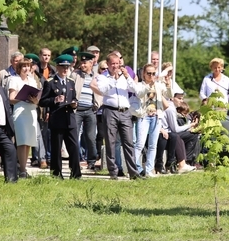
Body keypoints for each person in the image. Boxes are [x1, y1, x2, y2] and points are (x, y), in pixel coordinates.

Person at [91, 52, 143, 180]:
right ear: (108, 64)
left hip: (125, 111)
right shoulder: (103, 77)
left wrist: (126, 77)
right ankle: (113, 171)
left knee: (129, 142)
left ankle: (133, 172)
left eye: (117, 63)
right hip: (110, 110)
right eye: (112, 64)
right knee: (111, 142)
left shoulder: (124, 76)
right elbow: (102, 90)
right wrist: (113, 79)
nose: (115, 66)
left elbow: (135, 89)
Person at [39, 54, 82, 179]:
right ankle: (56, 173)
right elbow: (42, 101)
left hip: (70, 119)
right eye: (62, 67)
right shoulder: (51, 83)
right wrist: (55, 100)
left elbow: (73, 97)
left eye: (67, 67)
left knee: (74, 147)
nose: (65, 70)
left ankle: (76, 174)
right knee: (57, 148)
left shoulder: (71, 82)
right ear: (57, 67)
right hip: (57, 119)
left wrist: (75, 104)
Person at [134, 63, 168, 177]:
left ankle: (149, 170)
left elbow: (169, 94)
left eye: (153, 73)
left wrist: (168, 85)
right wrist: (150, 85)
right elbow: (139, 94)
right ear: (144, 74)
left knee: (153, 145)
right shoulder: (140, 85)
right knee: (140, 143)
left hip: (156, 116)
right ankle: (133, 167)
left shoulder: (158, 85)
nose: (151, 76)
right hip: (144, 116)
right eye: (148, 73)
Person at [8, 59, 41, 177]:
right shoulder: (14, 79)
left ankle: (24, 168)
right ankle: (21, 170)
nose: (27, 69)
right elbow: (11, 99)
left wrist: (34, 99)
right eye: (24, 67)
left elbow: (37, 98)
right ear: (19, 68)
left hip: (31, 111)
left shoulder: (32, 81)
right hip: (20, 112)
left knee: (28, 142)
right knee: (22, 141)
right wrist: (23, 97)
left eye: (28, 66)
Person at [72, 51, 100, 170]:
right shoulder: (75, 75)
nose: (82, 65)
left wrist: (97, 105)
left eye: (85, 63)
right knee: (74, 136)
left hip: (90, 110)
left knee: (90, 136)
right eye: (81, 62)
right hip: (77, 110)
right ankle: (75, 159)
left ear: (91, 63)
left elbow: (101, 93)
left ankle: (92, 160)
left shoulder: (96, 76)